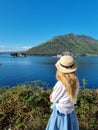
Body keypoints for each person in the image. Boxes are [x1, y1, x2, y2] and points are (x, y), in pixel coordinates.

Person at [46, 55, 79, 130]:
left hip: (60, 113)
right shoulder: (76, 81)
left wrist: (51, 95)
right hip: (70, 111)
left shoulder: (60, 84)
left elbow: (53, 99)